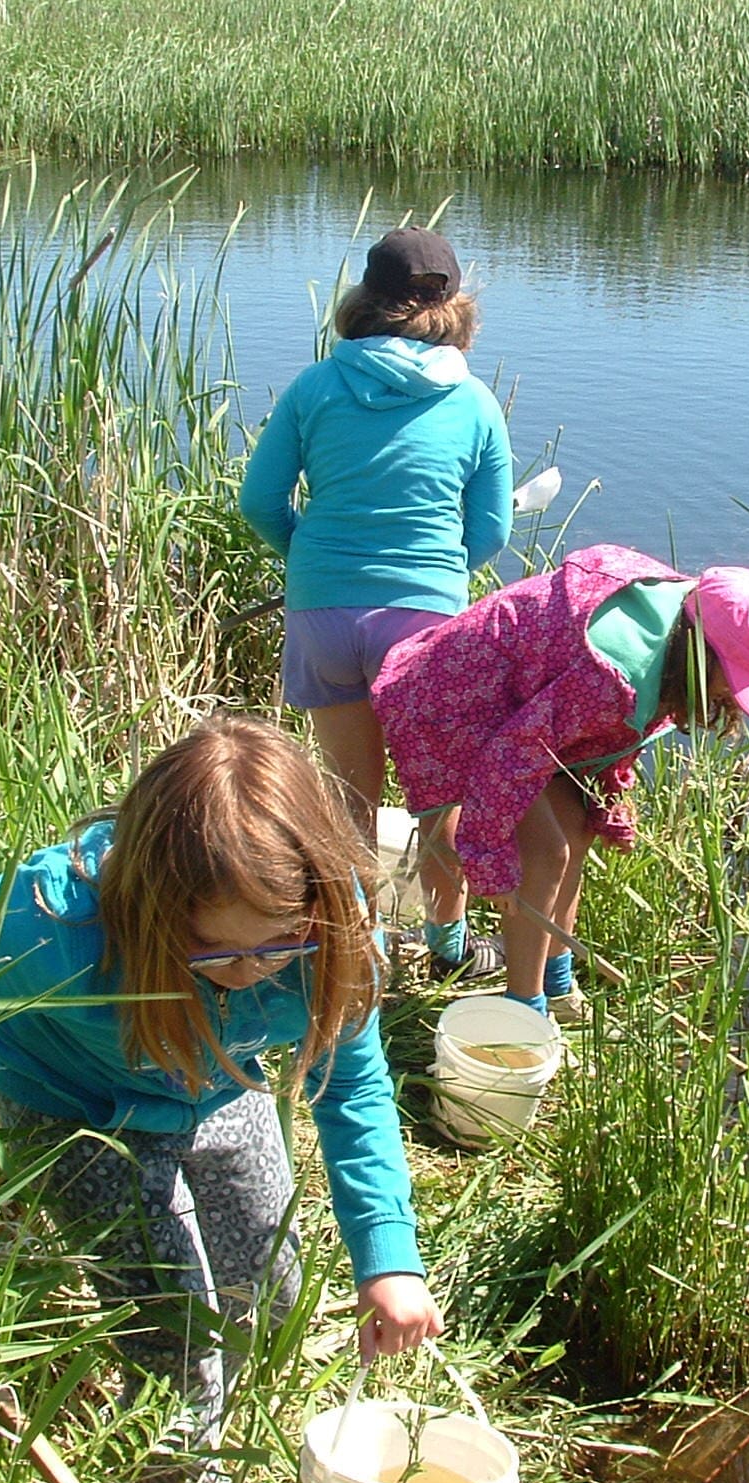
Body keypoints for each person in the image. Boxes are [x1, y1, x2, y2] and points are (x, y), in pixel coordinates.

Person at [0, 716, 442, 1483]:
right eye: (215, 953)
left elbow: (352, 1088)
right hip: (76, 1108)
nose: (250, 973)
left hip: (220, 1090)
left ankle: (221, 1438)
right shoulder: (51, 929)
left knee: (269, 1299)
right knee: (178, 1338)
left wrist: (389, 1259)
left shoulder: (331, 931)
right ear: (147, 908)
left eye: (278, 946)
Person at [238, 225, 513, 983]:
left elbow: (260, 502)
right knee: (437, 800)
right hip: (423, 623)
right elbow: (491, 529)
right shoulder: (475, 400)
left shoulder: (315, 386)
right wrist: (437, 575)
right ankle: (450, 949)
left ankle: (365, 953)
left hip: (322, 617)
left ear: (364, 296)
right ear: (455, 305)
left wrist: (311, 561)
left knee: (349, 801)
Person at [371, 544, 749, 1019]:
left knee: (578, 826)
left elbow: (605, 732)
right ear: (696, 654)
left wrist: (608, 796)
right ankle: (523, 1011)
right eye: (732, 679)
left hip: (529, 703)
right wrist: (490, 861)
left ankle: (556, 982)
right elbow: (511, 759)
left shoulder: (678, 629)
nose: (731, 695)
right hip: (459, 697)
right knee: (545, 853)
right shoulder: (612, 670)